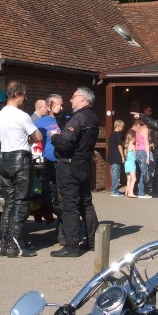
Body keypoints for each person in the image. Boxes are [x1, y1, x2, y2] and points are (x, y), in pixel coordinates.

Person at [50, 87, 99, 257]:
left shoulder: (79, 117)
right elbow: (73, 133)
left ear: (83, 99)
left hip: (70, 167)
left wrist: (54, 137)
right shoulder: (92, 116)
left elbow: (65, 143)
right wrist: (59, 117)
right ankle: (93, 241)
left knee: (70, 205)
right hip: (83, 165)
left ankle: (71, 246)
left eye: (73, 96)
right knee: (86, 203)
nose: (70, 100)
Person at [0, 81, 42, 258]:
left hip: (6, 158)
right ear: (16, 93)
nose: (25, 98)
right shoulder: (22, 115)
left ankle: (4, 243)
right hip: (20, 160)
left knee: (9, 203)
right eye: (24, 94)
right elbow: (37, 137)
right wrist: (34, 135)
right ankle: (15, 245)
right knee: (21, 203)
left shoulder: (0, 114)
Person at [34, 94, 63, 225]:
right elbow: (31, 139)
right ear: (48, 107)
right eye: (58, 104)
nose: (61, 107)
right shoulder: (40, 122)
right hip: (49, 162)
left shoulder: (66, 120)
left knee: (63, 197)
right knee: (48, 197)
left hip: (63, 163)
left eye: (62, 104)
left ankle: (63, 230)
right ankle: (67, 217)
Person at [133, 119, 152, 198]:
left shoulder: (138, 130)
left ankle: (140, 190)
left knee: (141, 172)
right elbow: (146, 143)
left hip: (138, 152)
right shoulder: (145, 129)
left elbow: (137, 143)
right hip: (144, 152)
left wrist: (136, 153)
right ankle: (141, 193)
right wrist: (148, 156)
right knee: (144, 173)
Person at [107, 119, 125, 196]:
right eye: (122, 126)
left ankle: (114, 189)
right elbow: (119, 146)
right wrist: (122, 156)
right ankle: (114, 190)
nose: (123, 128)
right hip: (116, 156)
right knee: (116, 174)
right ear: (118, 126)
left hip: (111, 156)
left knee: (113, 173)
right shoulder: (117, 134)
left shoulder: (111, 134)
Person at [123, 129, 137, 198]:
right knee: (134, 179)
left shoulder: (127, 146)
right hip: (131, 163)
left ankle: (127, 191)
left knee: (129, 179)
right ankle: (131, 193)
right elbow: (135, 155)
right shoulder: (133, 146)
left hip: (127, 163)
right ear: (133, 138)